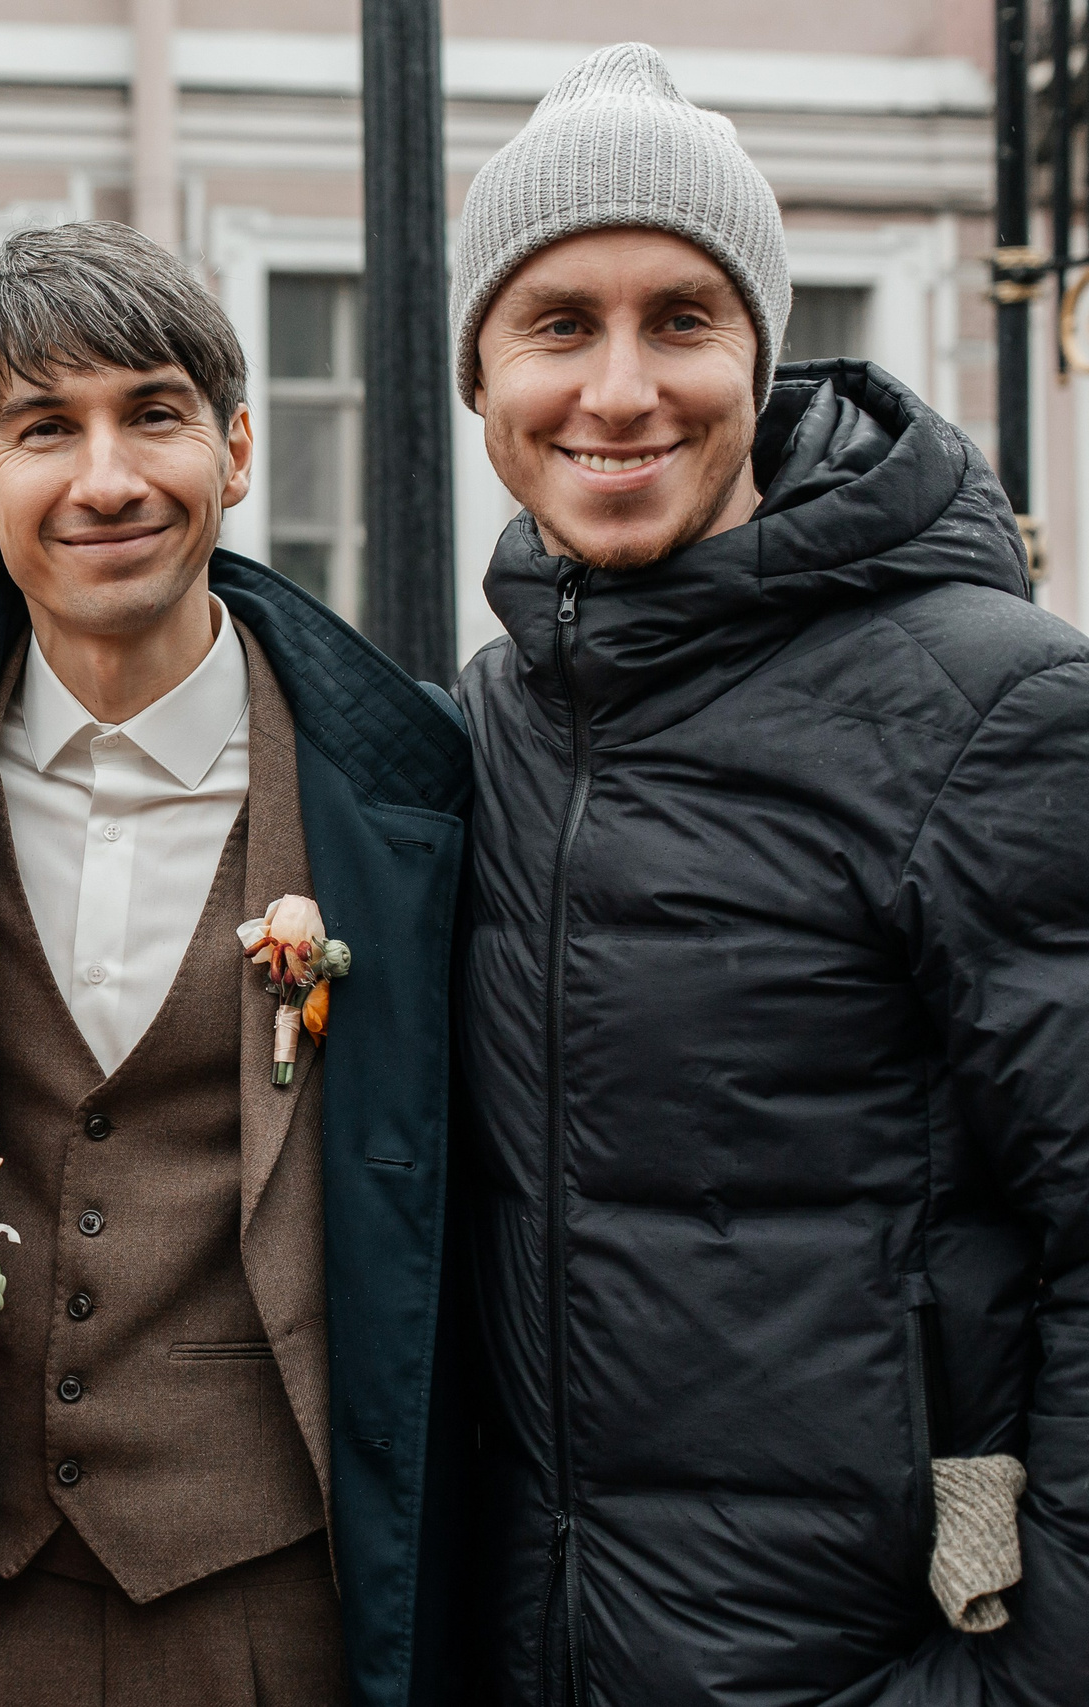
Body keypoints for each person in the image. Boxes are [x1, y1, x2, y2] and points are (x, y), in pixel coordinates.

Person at [452, 43, 1089, 1706]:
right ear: (479, 378)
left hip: (867, 1663)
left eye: (682, 318)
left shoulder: (992, 704)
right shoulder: (494, 716)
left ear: (761, 349)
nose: (618, 390)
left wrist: (1029, 1681)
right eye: (557, 324)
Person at [0, 220, 473, 1707]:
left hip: (282, 1604)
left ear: (236, 449)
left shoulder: (413, 788)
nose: (106, 479)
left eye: (154, 414)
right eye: (47, 430)